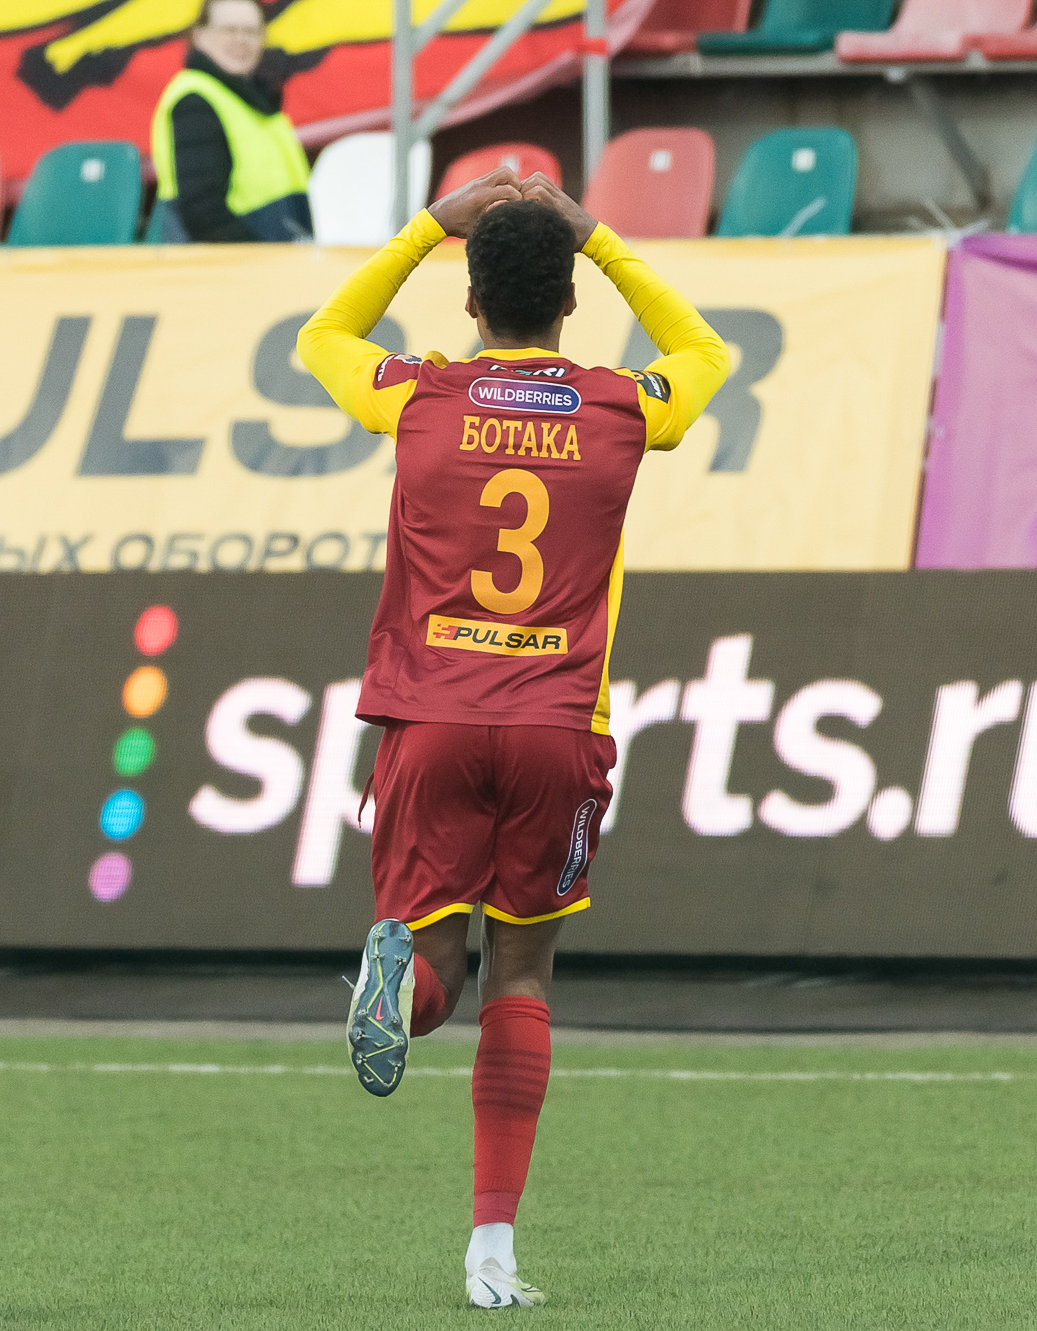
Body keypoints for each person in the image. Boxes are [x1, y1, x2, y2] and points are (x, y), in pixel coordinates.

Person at [298, 168, 730, 1309]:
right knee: (524, 970)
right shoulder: (621, 405)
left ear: (470, 301)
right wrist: (601, 236)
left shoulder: (421, 396)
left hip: (431, 717)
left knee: (436, 965)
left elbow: (322, 335)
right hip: (556, 722)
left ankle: (395, 994)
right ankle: (490, 1252)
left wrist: (425, 228)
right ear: (571, 301)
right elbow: (706, 352)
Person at [149, 0, 311, 243]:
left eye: (250, 31)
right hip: (231, 262)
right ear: (200, 36)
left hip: (277, 256)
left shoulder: (253, 100)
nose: (240, 40)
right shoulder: (195, 101)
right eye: (229, 30)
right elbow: (203, 211)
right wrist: (260, 257)